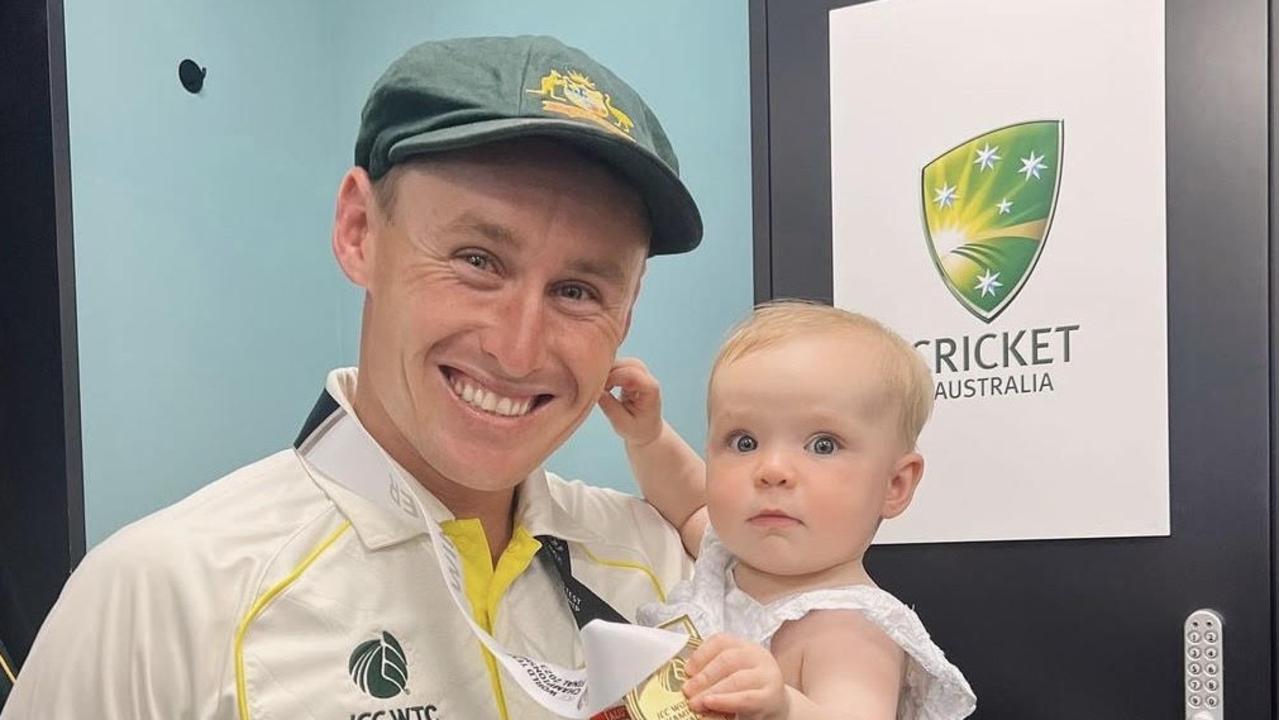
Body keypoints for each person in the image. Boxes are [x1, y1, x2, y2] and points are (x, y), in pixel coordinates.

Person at [3, 35, 705, 720]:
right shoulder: (163, 598)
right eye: (476, 260)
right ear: (359, 232)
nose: (518, 352)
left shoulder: (657, 565)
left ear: (628, 307)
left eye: (578, 291)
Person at [601, 301, 977, 720]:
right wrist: (647, 436)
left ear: (895, 485)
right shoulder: (725, 553)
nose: (772, 470)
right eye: (744, 442)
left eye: (823, 445)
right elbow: (688, 503)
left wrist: (783, 707)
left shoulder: (850, 627)